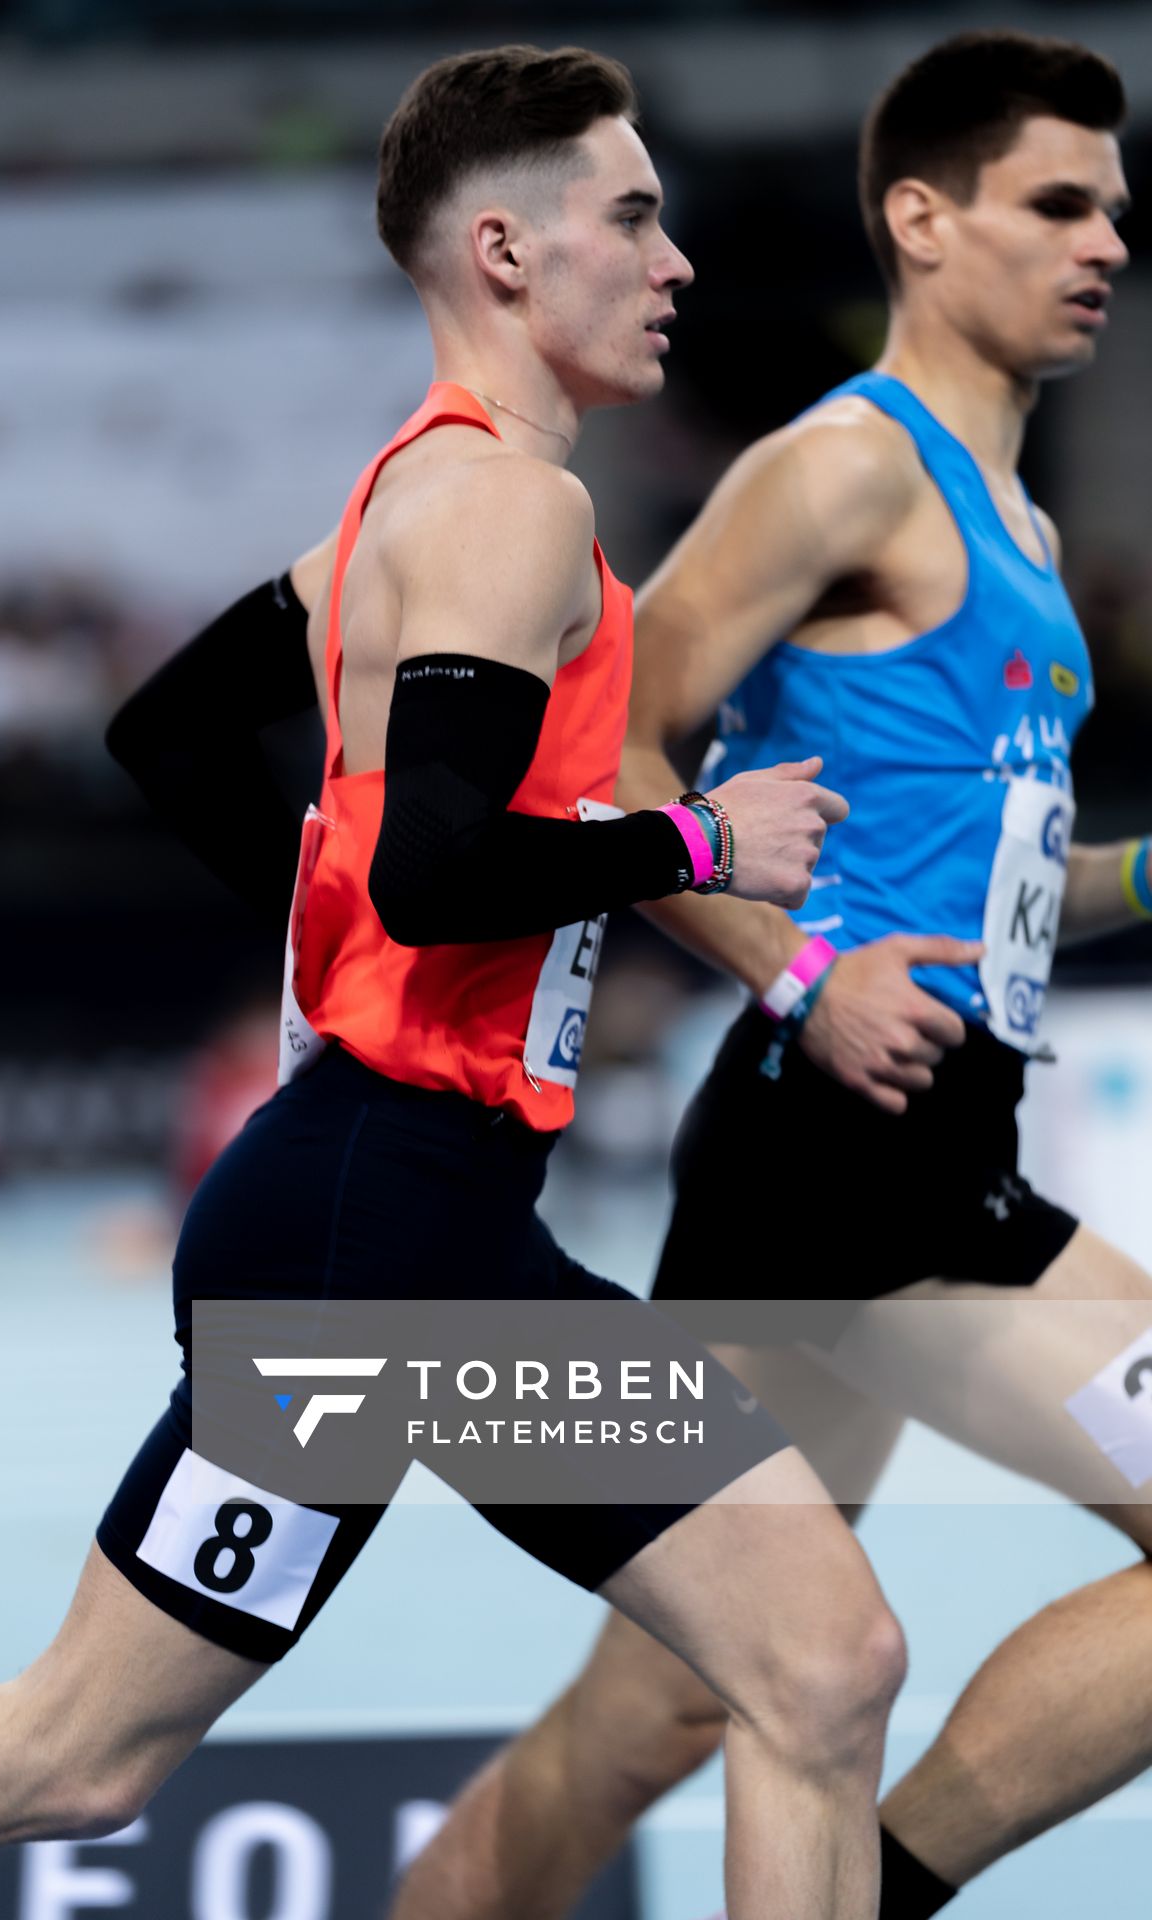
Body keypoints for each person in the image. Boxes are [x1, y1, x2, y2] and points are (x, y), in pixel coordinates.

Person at [0, 47, 905, 1920]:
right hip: (383, 1241)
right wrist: (699, 846)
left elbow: (172, 733)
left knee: (820, 1662)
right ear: (505, 252)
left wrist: (329, 921)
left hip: (404, 1231)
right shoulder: (507, 513)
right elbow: (434, 878)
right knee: (75, 1750)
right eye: (635, 217)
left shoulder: (393, 510)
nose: (677, 262)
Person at [388, 30, 1152, 1920]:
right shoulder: (839, 470)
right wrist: (805, 972)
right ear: (922, 218)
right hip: (848, 1154)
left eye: (1118, 212)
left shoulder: (1025, 535)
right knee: (701, 1696)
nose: (1104, 244)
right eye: (1056, 204)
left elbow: (1009, 895)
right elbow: (622, 758)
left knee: (652, 1710)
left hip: (905, 1149)